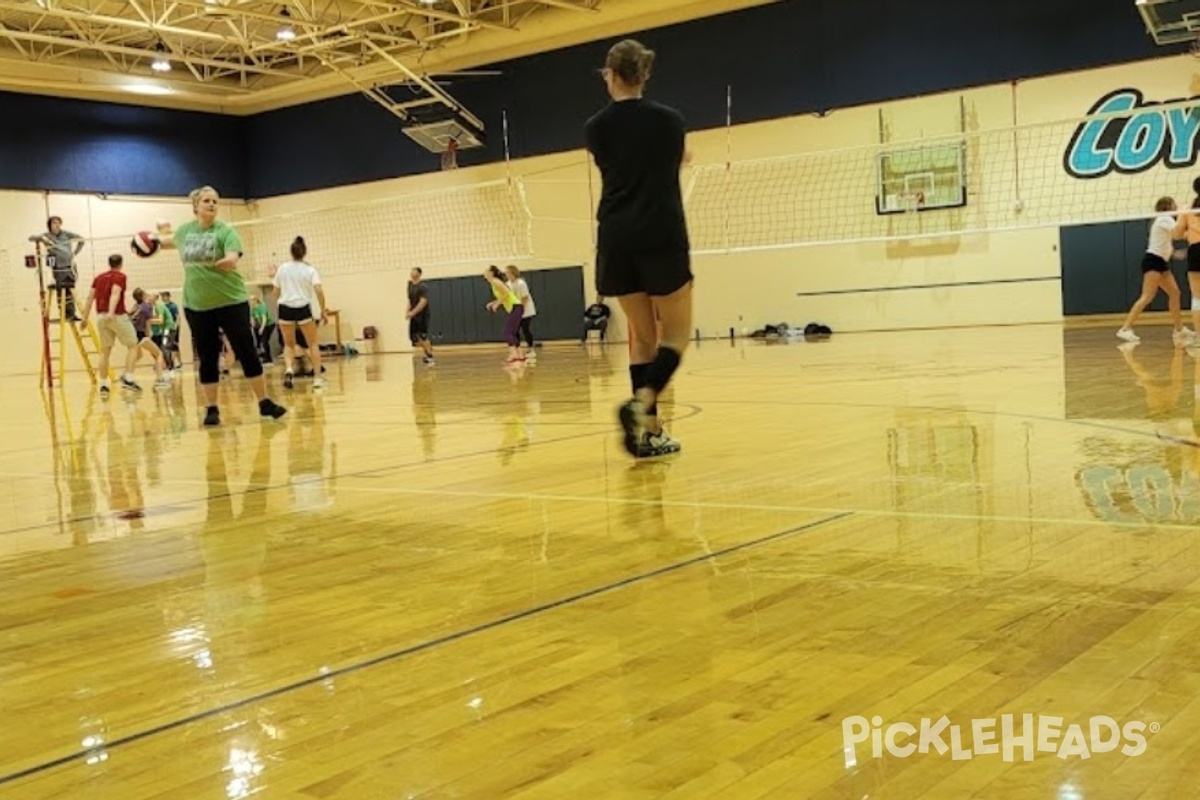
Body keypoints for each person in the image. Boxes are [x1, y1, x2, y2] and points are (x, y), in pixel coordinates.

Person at [585, 38, 691, 457]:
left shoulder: (594, 128)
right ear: (644, 75)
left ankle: (650, 431)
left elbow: (623, 161)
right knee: (677, 335)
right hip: (660, 235)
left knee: (642, 339)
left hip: (615, 239)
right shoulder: (671, 121)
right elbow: (664, 158)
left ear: (610, 76)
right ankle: (641, 404)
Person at [151, 185, 287, 425]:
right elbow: (167, 242)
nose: (212, 204)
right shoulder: (185, 232)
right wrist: (150, 239)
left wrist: (229, 260)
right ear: (196, 206)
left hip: (231, 302)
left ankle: (264, 402)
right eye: (206, 201)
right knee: (207, 355)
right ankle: (211, 408)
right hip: (197, 306)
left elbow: (234, 255)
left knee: (246, 351)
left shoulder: (225, 231)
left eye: (215, 201)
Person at [1118, 197, 1191, 345]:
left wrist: (1174, 253)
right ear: (1168, 206)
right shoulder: (1164, 218)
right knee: (1147, 296)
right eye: (1174, 204)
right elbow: (1179, 233)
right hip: (1153, 261)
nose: (1176, 206)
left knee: (1175, 293)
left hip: (1161, 262)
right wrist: (1186, 214)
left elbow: (1164, 242)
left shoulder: (1163, 220)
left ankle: (1179, 329)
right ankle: (1125, 329)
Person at [76, 254, 143, 397]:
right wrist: (111, 312)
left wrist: (84, 318)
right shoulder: (120, 276)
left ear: (109, 263)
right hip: (116, 316)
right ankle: (129, 379)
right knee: (133, 346)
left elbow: (90, 298)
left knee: (105, 352)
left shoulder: (98, 278)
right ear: (120, 264)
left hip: (100, 317)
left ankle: (104, 385)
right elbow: (115, 293)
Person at [273, 236, 329, 390]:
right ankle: (317, 378)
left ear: (291, 252)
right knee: (312, 344)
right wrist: (323, 310)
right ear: (304, 253)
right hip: (302, 307)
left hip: (285, 308)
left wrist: (280, 304)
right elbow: (319, 290)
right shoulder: (310, 269)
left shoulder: (283, 268)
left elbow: (275, 291)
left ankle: (289, 369)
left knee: (289, 344)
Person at [30, 216, 85, 321]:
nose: (57, 225)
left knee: (70, 291)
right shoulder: (47, 236)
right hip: (58, 268)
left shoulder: (66, 234)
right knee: (61, 291)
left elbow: (81, 240)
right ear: (50, 225)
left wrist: (75, 253)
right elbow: (31, 238)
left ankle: (72, 314)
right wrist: (42, 238)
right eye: (54, 223)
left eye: (59, 223)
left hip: (69, 267)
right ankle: (64, 314)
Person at [129, 287, 169, 388]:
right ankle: (160, 379)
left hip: (132, 335)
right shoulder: (147, 308)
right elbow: (147, 323)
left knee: (137, 356)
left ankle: (127, 375)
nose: (147, 294)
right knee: (159, 353)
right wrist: (148, 336)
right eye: (145, 293)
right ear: (142, 296)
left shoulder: (135, 306)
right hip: (141, 335)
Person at [484, 265, 525, 365]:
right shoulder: (494, 282)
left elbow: (506, 293)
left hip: (516, 307)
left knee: (507, 332)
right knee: (513, 332)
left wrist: (497, 304)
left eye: (486, 271)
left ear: (491, 273)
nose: (484, 273)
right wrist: (494, 302)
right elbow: (505, 295)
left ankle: (513, 355)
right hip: (516, 307)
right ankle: (520, 355)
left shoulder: (495, 281)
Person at [505, 265, 538, 361]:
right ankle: (518, 351)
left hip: (526, 311)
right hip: (515, 311)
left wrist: (520, 310)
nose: (506, 275)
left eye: (508, 273)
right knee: (514, 331)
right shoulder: (508, 284)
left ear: (513, 273)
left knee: (525, 329)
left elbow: (525, 298)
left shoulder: (521, 283)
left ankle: (531, 349)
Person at [407, 267, 435, 365]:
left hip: (423, 315)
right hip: (414, 315)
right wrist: (407, 311)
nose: (411, 272)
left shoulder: (423, 287)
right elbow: (410, 301)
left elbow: (423, 302)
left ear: (419, 274)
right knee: (414, 338)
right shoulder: (410, 286)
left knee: (423, 336)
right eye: (411, 271)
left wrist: (413, 312)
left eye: (414, 271)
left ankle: (430, 357)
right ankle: (428, 349)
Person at [250, 294, 276, 365]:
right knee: (259, 343)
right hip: (260, 325)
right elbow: (253, 319)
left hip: (268, 325)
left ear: (256, 300)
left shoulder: (261, 307)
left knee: (264, 342)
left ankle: (269, 360)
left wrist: (261, 329)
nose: (251, 302)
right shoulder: (253, 309)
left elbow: (264, 319)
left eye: (252, 300)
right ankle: (263, 356)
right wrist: (253, 325)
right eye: (250, 300)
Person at [162, 291, 182, 370]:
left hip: (173, 327)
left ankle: (174, 362)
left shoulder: (173, 306)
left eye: (164, 296)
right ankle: (173, 362)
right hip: (166, 328)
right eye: (162, 296)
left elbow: (177, 317)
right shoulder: (163, 307)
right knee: (168, 345)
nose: (163, 298)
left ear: (168, 296)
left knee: (174, 344)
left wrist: (176, 326)